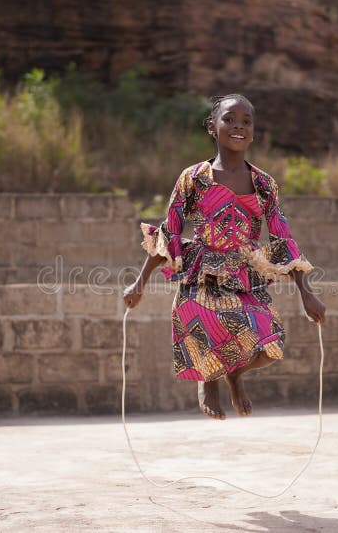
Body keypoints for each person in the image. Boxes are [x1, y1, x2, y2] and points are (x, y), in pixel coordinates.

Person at [123, 94, 326, 420]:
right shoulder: (193, 178)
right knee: (198, 320)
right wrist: (139, 283)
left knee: (270, 346)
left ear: (253, 131)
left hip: (245, 276)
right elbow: (169, 232)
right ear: (212, 128)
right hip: (200, 276)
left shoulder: (264, 185)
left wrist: (307, 293)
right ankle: (210, 378)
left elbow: (282, 238)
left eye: (246, 121)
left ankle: (234, 374)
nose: (238, 126)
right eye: (230, 119)